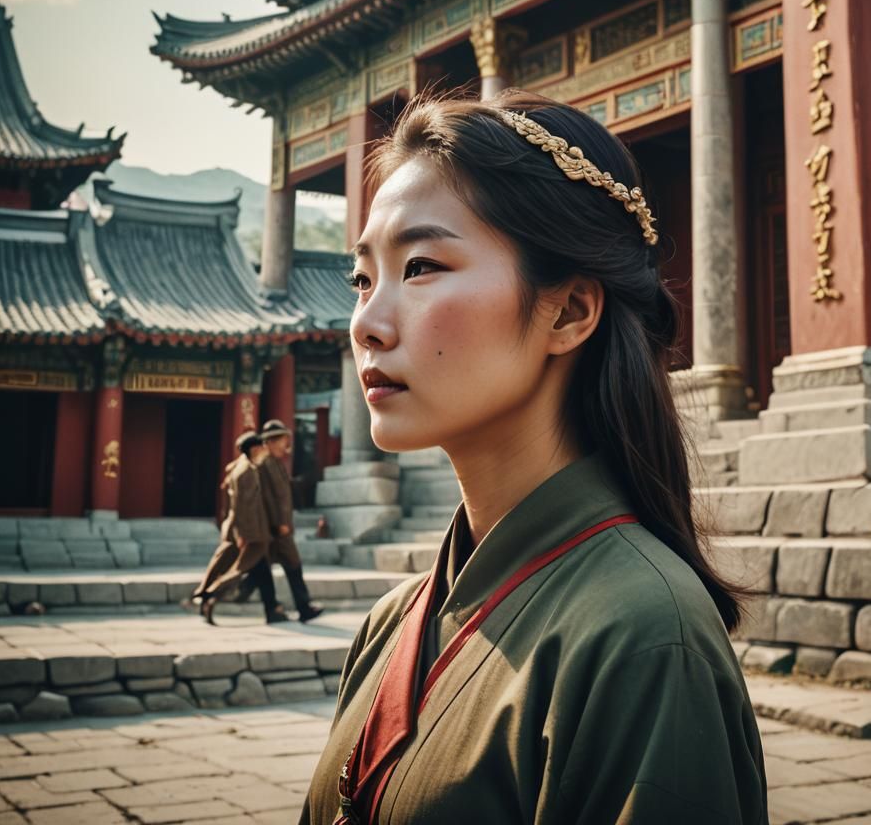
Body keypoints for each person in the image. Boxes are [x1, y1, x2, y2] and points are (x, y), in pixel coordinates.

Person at [300, 94, 767, 824]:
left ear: (571, 311)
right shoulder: (390, 625)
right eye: (362, 279)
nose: (366, 322)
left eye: (420, 266)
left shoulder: (643, 638)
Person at [194, 431, 287, 626]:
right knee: (239, 569)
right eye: (262, 446)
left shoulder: (246, 468)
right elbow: (243, 506)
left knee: (262, 572)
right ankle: (212, 596)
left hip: (254, 532)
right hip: (253, 535)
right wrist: (244, 534)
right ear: (254, 449)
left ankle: (273, 609)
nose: (265, 450)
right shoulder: (246, 472)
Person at [256, 418, 324, 623]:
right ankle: (291, 608)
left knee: (276, 568)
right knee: (271, 569)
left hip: (280, 528)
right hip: (276, 529)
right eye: (282, 441)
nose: (286, 445)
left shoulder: (276, 463)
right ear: (270, 442)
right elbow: (268, 497)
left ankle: (292, 608)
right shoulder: (264, 464)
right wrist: (279, 523)